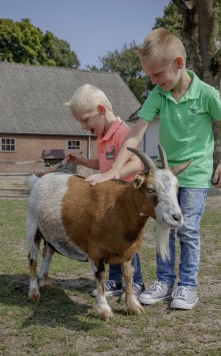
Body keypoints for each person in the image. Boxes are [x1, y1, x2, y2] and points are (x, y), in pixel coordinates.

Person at [85, 28, 221, 310]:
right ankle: (164, 282)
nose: (153, 81)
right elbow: (135, 134)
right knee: (164, 227)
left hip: (196, 174)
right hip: (166, 178)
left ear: (178, 63)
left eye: (157, 75)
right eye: (150, 76)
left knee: (186, 229)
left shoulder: (206, 94)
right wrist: (116, 170)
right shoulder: (158, 96)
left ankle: (187, 285)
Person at [64, 84, 146, 300]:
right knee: (111, 240)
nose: (83, 126)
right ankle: (116, 281)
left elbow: (137, 163)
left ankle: (135, 283)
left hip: (126, 200)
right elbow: (103, 166)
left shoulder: (123, 133)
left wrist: (115, 174)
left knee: (127, 243)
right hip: (110, 203)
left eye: (85, 120)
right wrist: (82, 160)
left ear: (101, 110)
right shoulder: (102, 136)